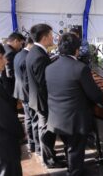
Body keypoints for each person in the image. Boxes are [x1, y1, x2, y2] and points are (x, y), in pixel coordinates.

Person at [46, 33, 103, 176]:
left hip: (56, 118)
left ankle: (72, 168)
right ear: (77, 50)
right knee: (76, 151)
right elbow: (94, 94)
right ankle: (74, 172)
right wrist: (101, 99)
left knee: (70, 147)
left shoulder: (49, 67)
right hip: (75, 120)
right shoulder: (80, 68)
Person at [26, 23, 64, 168]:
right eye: (50, 35)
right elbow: (44, 83)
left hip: (37, 99)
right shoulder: (39, 56)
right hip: (43, 101)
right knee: (47, 131)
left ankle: (49, 156)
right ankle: (49, 161)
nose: (53, 37)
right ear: (44, 37)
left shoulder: (35, 51)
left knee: (46, 130)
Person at [0, 43, 24, 176]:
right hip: (4, 144)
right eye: (1, 57)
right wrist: (20, 132)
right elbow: (5, 117)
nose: (6, 60)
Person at [13, 37, 39, 153]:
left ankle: (31, 143)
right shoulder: (27, 57)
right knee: (34, 119)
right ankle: (36, 145)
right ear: (32, 45)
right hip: (27, 93)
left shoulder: (18, 54)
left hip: (20, 92)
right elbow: (27, 80)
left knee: (28, 118)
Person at [0, 32, 25, 108]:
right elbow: (10, 73)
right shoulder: (11, 52)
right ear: (16, 41)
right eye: (21, 44)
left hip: (6, 85)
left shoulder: (5, 47)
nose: (21, 47)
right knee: (12, 108)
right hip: (10, 87)